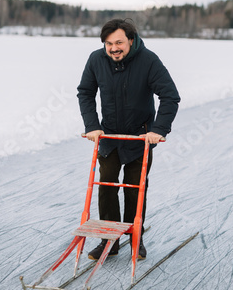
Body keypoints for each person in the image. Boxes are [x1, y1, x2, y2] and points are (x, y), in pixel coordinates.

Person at [77, 18, 180, 260]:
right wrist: (92, 125)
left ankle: (136, 238)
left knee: (136, 189)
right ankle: (108, 241)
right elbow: (85, 92)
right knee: (106, 187)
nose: (114, 48)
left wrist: (159, 130)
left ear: (131, 41)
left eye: (119, 42)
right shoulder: (96, 59)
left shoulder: (148, 60)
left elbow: (170, 96)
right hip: (110, 136)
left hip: (139, 138)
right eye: (109, 43)